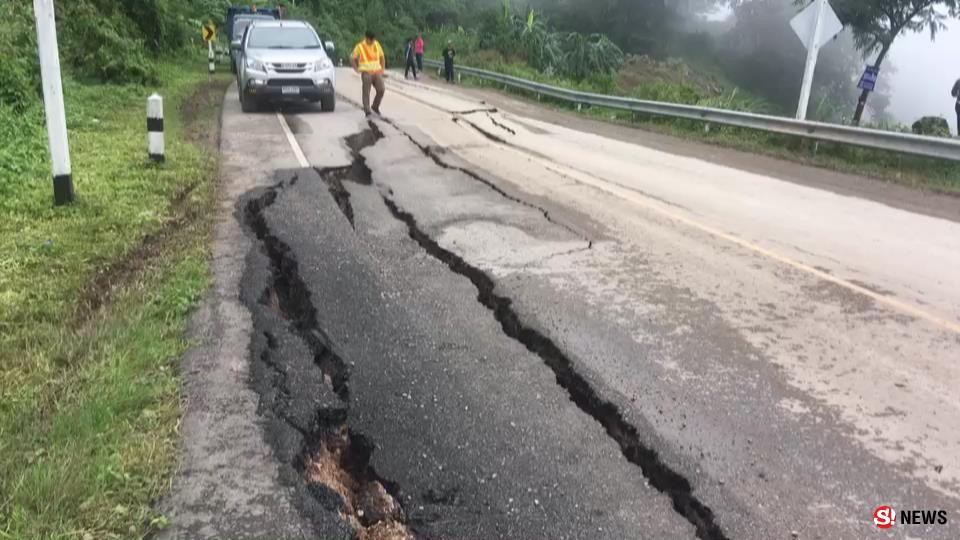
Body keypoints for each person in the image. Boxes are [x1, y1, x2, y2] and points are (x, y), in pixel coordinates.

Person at [351, 31, 386, 116]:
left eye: (374, 40)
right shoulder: (360, 46)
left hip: (376, 72)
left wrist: (382, 70)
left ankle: (375, 106)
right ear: (367, 38)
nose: (373, 41)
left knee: (381, 89)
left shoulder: (376, 44)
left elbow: (382, 57)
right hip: (366, 72)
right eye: (371, 40)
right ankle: (367, 110)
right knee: (366, 91)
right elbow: (352, 58)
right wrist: (356, 69)